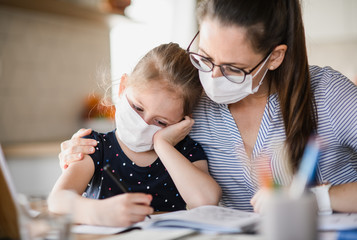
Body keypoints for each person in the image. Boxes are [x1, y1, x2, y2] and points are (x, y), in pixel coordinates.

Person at [58, 0, 357, 214]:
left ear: (275, 57)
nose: (212, 78)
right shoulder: (189, 106)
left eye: (232, 68)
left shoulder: (328, 94)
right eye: (204, 56)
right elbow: (134, 144)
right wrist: (78, 153)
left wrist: (319, 199)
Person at [48, 43, 221, 227]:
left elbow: (206, 200)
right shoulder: (94, 145)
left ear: (182, 121)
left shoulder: (186, 152)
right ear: (123, 87)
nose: (143, 124)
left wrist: (163, 144)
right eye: (138, 108)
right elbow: (57, 200)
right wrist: (99, 212)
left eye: (161, 122)